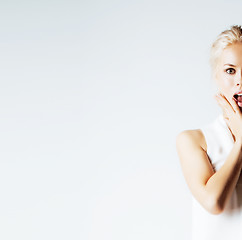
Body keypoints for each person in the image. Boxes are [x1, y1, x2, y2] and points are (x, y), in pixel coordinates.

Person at [176, 25, 242, 240]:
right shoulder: (194, 140)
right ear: (216, 76)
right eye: (230, 70)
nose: (240, 82)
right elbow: (213, 202)